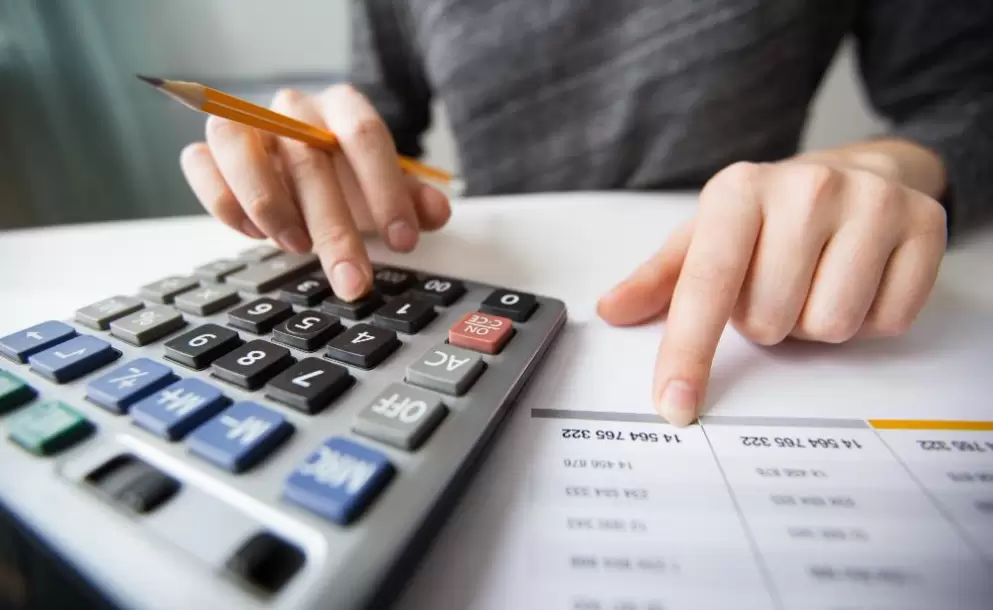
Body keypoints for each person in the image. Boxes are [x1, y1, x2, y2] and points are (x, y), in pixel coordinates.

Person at [177, 2, 993, 426]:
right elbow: (381, 116)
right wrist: (320, 152)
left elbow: (965, 94)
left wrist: (885, 166)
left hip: (747, 284)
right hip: (481, 282)